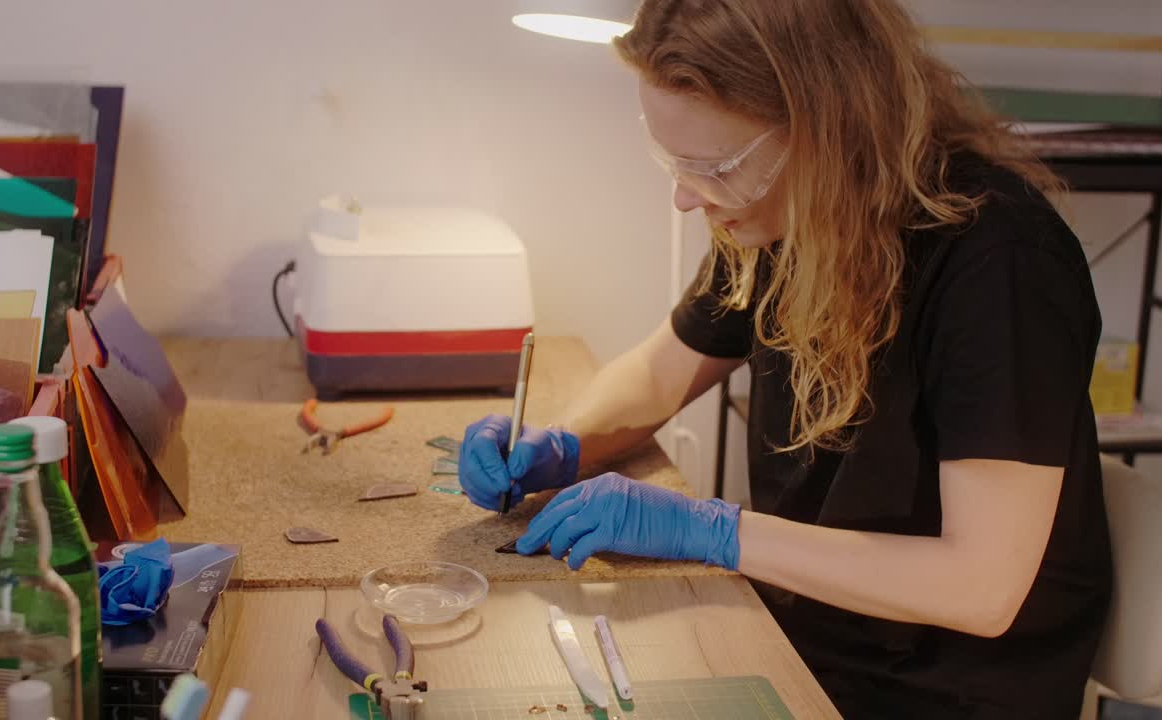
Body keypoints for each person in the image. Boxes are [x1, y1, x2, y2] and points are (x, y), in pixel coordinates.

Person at [457, 0, 1112, 717]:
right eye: (673, 161)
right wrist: (560, 442)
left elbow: (980, 588)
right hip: (803, 637)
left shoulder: (1000, 265)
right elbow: (659, 374)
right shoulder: (787, 213)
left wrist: (711, 530)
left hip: (941, 691)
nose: (685, 197)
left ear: (828, 126)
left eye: (713, 166)